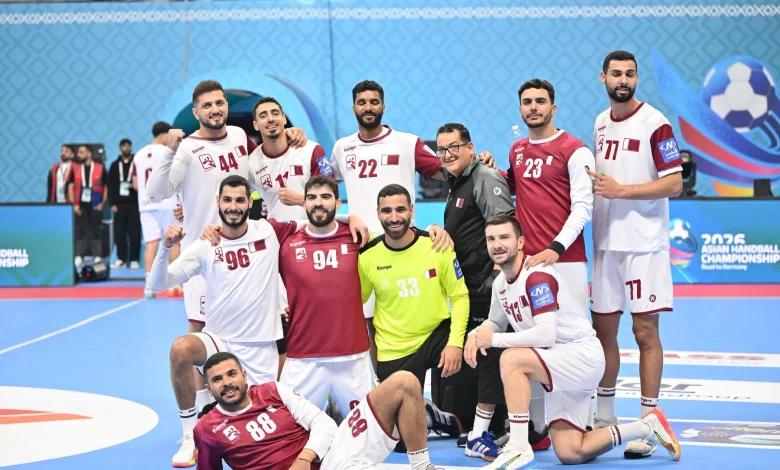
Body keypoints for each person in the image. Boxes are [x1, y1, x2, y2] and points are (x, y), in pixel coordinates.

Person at [150, 175, 367, 468]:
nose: (233, 206)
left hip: (261, 349)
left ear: (249, 202)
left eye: (240, 200)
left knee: (272, 431)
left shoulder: (268, 230)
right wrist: (165, 246)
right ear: (218, 202)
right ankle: (190, 433)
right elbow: (158, 283)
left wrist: (350, 217)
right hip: (220, 342)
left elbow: (315, 218)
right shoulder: (206, 245)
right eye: (228, 200)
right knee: (181, 349)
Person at [144, 79, 307, 466]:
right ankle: (198, 427)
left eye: (220, 103)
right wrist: (169, 152)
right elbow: (155, 193)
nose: (215, 110)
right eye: (207, 105)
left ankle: (251, 405)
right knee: (195, 339)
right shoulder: (186, 148)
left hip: (244, 247)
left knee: (274, 327)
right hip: (205, 255)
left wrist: (290, 133)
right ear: (196, 112)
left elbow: (260, 167)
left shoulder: (238, 137)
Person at [464, 214, 680, 469]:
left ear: (520, 242)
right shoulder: (500, 283)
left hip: (580, 357)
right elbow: (496, 322)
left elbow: (546, 334)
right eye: (491, 239)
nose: (497, 244)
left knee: (511, 358)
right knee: (570, 451)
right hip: (557, 364)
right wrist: (475, 335)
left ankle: (519, 448)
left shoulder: (537, 277)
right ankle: (647, 426)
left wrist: (494, 340)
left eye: (504, 237)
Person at [325, 80, 463, 364]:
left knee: (408, 316)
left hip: (403, 244)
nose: (368, 107)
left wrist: (478, 164)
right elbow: (324, 187)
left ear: (384, 107)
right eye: (362, 102)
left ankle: (417, 376)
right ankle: (379, 382)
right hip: (362, 249)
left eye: (374, 102)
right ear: (353, 108)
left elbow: (449, 172)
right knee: (369, 323)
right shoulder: (342, 148)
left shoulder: (406, 143)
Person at [589, 50, 684, 459]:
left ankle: (649, 423)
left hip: (643, 245)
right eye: (616, 74)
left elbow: (675, 183)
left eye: (629, 74)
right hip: (605, 243)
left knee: (645, 334)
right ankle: (604, 416)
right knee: (602, 333)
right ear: (604, 78)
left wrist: (622, 191)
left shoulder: (655, 123)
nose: (623, 80)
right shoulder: (600, 122)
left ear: (636, 78)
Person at [503, 78, 597, 450]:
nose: (534, 107)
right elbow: (515, 189)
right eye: (527, 102)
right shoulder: (517, 150)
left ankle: (584, 422)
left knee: (570, 341)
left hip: (565, 261)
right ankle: (538, 428)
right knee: (535, 341)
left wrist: (556, 248)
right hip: (527, 263)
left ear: (553, 108)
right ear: (520, 109)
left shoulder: (575, 150)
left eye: (540, 101)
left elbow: (583, 207)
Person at [194, 352, 440, 470]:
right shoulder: (207, 429)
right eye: (217, 379)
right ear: (209, 389)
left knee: (404, 382)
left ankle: (421, 466)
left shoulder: (272, 391)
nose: (227, 382)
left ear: (244, 376)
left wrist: (304, 458)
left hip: (331, 455)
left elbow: (324, 424)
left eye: (232, 374)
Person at [358, 183, 468, 442]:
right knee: (398, 442)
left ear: (411, 210)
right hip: (395, 348)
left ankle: (486, 422)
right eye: (387, 211)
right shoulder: (367, 256)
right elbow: (354, 302)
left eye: (400, 210)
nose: (394, 217)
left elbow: (460, 297)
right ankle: (431, 415)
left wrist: (455, 344)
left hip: (436, 335)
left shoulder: (436, 245)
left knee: (478, 348)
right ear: (378, 213)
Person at [436, 123, 515, 459]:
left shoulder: (485, 177)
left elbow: (504, 230)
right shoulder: (457, 180)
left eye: (454, 147)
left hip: (487, 286)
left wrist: (495, 281)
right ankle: (480, 424)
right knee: (479, 358)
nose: (448, 154)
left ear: (470, 147)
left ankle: (498, 427)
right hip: (469, 287)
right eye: (442, 149)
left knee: (489, 357)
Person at [247, 96, 330, 377]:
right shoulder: (252, 163)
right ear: (255, 124)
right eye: (263, 115)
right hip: (278, 253)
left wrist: (302, 200)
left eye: (275, 113)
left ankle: (327, 383)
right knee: (284, 325)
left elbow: (333, 198)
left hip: (317, 245)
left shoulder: (311, 150)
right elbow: (234, 197)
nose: (270, 119)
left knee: (320, 318)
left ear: (284, 118)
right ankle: (285, 389)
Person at [277, 176, 373, 415]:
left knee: (371, 432)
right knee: (288, 429)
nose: (318, 202)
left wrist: (433, 230)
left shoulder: (357, 237)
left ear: (338, 203)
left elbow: (397, 232)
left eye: (325, 197)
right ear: (304, 203)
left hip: (352, 356)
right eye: (312, 197)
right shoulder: (285, 242)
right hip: (303, 357)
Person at [132, 121, 182, 298]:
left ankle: (148, 286)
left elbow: (135, 184)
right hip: (167, 202)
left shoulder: (138, 155)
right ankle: (174, 285)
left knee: (151, 244)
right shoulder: (168, 151)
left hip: (146, 205)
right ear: (164, 135)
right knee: (174, 240)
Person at [68, 145, 108, 269]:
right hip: (80, 204)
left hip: (95, 204)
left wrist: (102, 203)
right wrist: (74, 204)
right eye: (78, 152)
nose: (78, 154)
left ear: (89, 153)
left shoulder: (100, 168)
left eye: (81, 152)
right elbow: (70, 186)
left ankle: (97, 255)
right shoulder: (75, 168)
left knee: (96, 230)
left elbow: (105, 186)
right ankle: (79, 256)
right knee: (80, 230)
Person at [108, 138, 142, 270]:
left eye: (128, 146)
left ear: (131, 147)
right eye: (124, 146)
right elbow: (110, 186)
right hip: (119, 205)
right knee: (119, 233)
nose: (126, 148)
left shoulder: (137, 163)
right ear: (120, 148)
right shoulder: (114, 165)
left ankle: (134, 259)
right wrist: (112, 203)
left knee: (135, 233)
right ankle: (121, 259)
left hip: (134, 203)